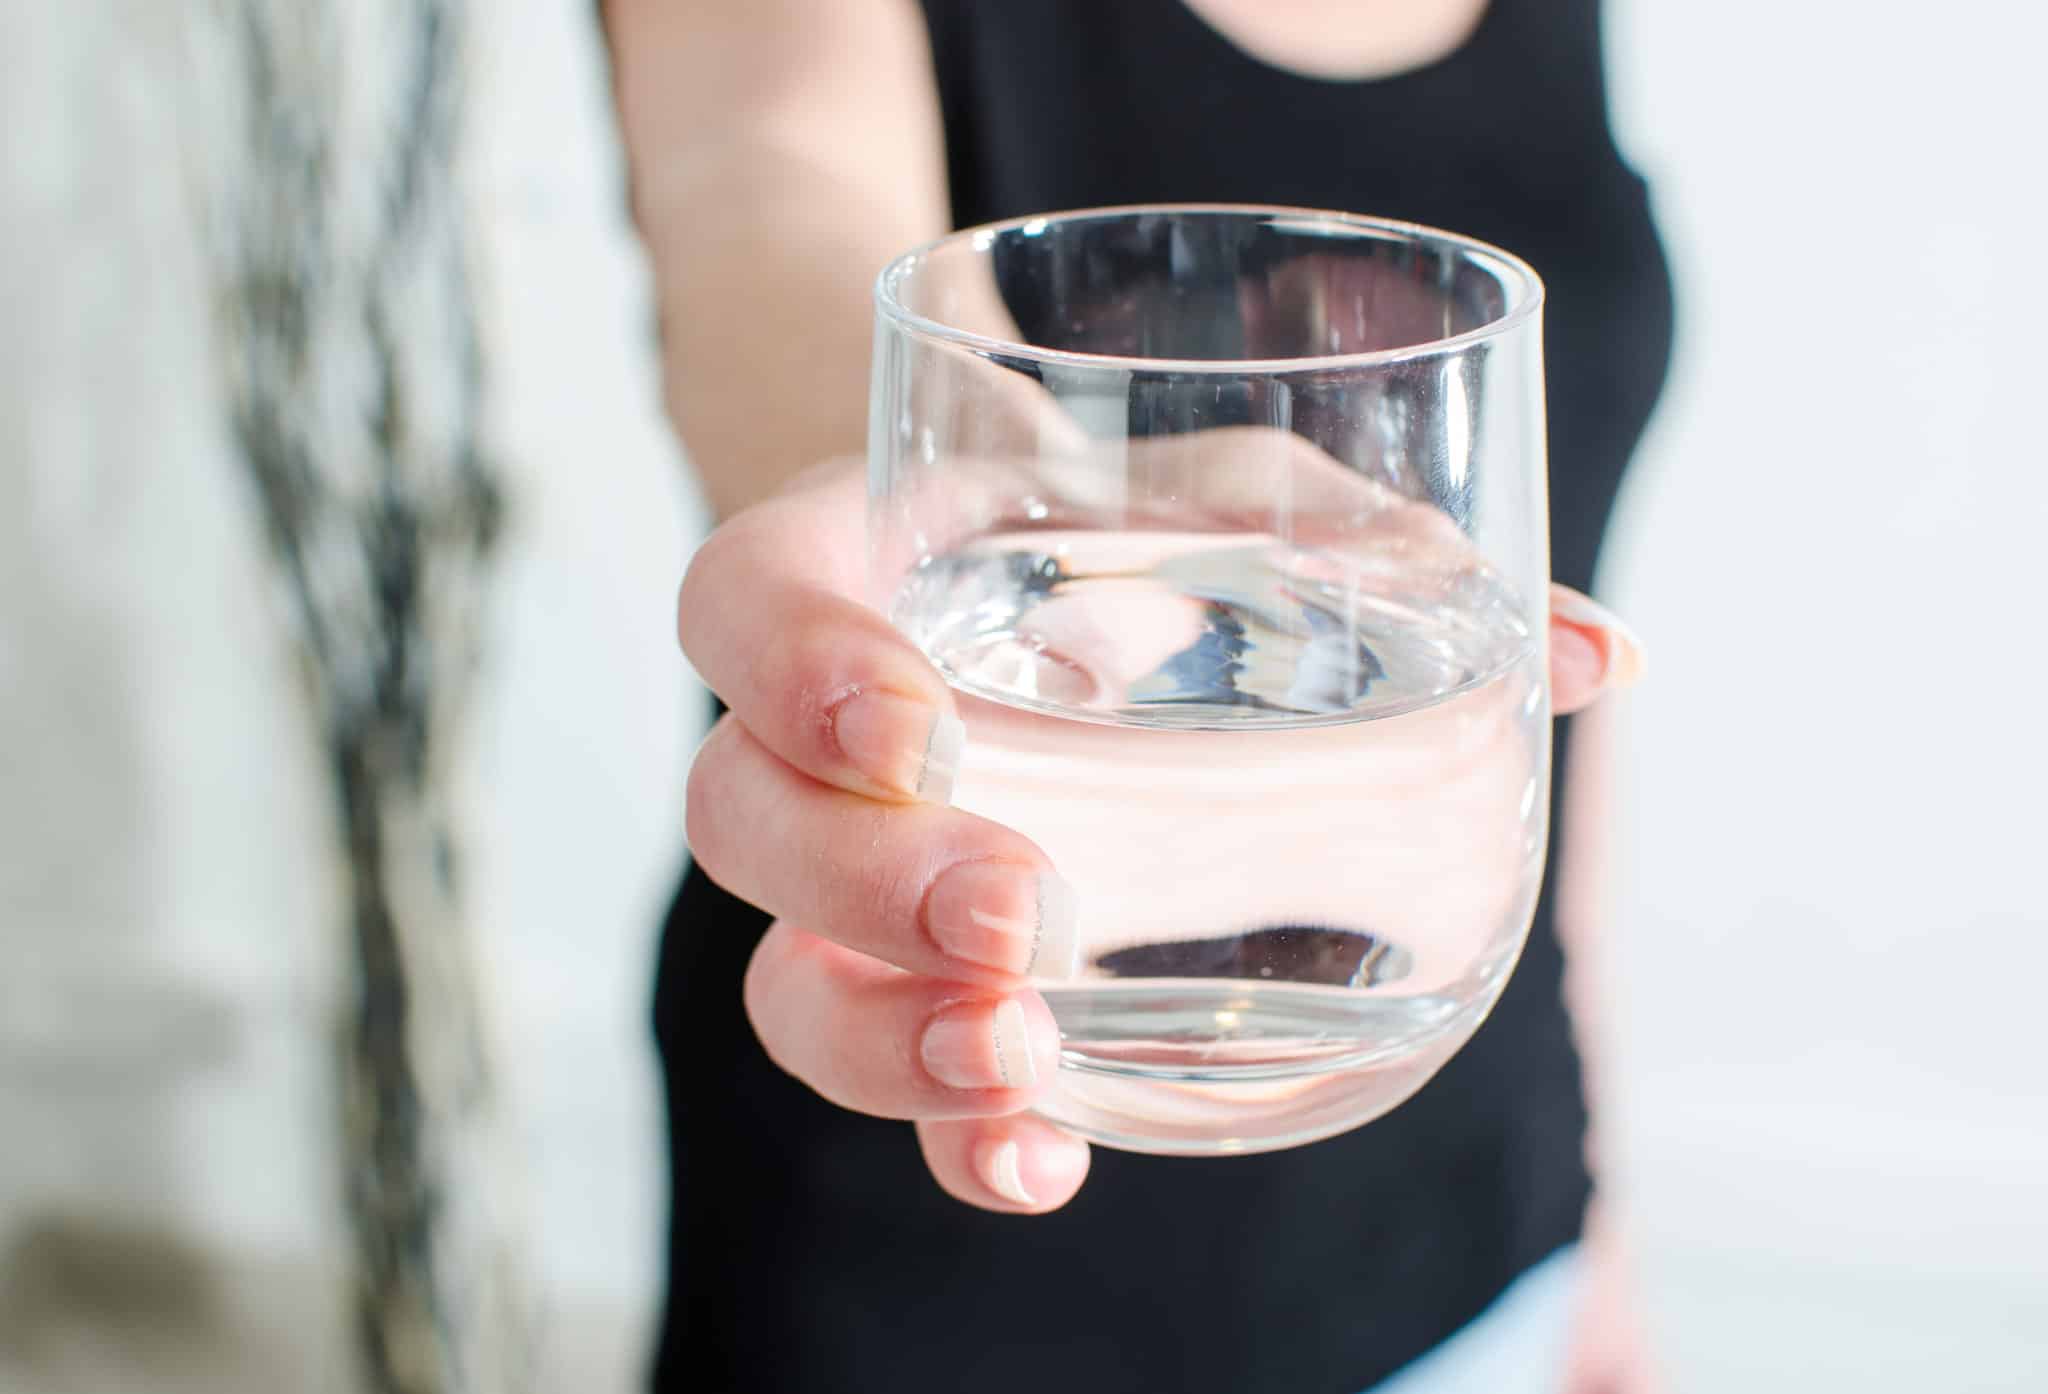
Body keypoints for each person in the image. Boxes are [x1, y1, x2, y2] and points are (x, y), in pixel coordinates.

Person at [602, 1, 1673, 1390]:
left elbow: (1543, 663)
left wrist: (1602, 1212)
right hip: (937, 1270)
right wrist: (979, 498)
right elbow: (771, 180)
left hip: (1478, 1241)